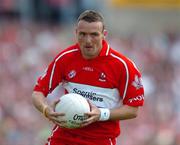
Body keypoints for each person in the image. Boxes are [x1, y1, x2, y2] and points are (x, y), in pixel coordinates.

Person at [32, 10, 144, 145]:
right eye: (83, 34)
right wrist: (46, 109)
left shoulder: (123, 66)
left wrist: (101, 114)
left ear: (104, 35)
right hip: (63, 137)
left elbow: (133, 110)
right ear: (76, 33)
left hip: (100, 140)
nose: (88, 40)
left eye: (94, 34)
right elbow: (38, 92)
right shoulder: (65, 58)